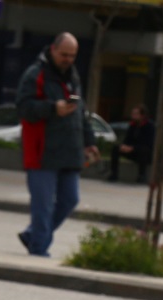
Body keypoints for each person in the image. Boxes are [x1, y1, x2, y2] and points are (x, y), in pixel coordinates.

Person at [16, 32, 98, 258]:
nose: (68, 60)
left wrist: (89, 142)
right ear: (53, 50)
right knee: (42, 205)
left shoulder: (73, 78)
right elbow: (24, 107)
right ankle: (39, 249)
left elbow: (81, 113)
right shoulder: (35, 75)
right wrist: (53, 108)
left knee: (70, 199)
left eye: (72, 56)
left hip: (70, 150)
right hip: (42, 152)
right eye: (64, 54)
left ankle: (34, 235)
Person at [110, 104, 155, 184]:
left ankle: (142, 175)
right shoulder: (133, 125)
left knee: (143, 151)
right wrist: (124, 146)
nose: (133, 116)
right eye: (132, 114)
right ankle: (114, 174)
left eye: (136, 114)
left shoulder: (149, 126)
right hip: (132, 150)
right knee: (116, 149)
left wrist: (133, 148)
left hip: (144, 153)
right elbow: (127, 139)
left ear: (142, 115)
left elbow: (148, 143)